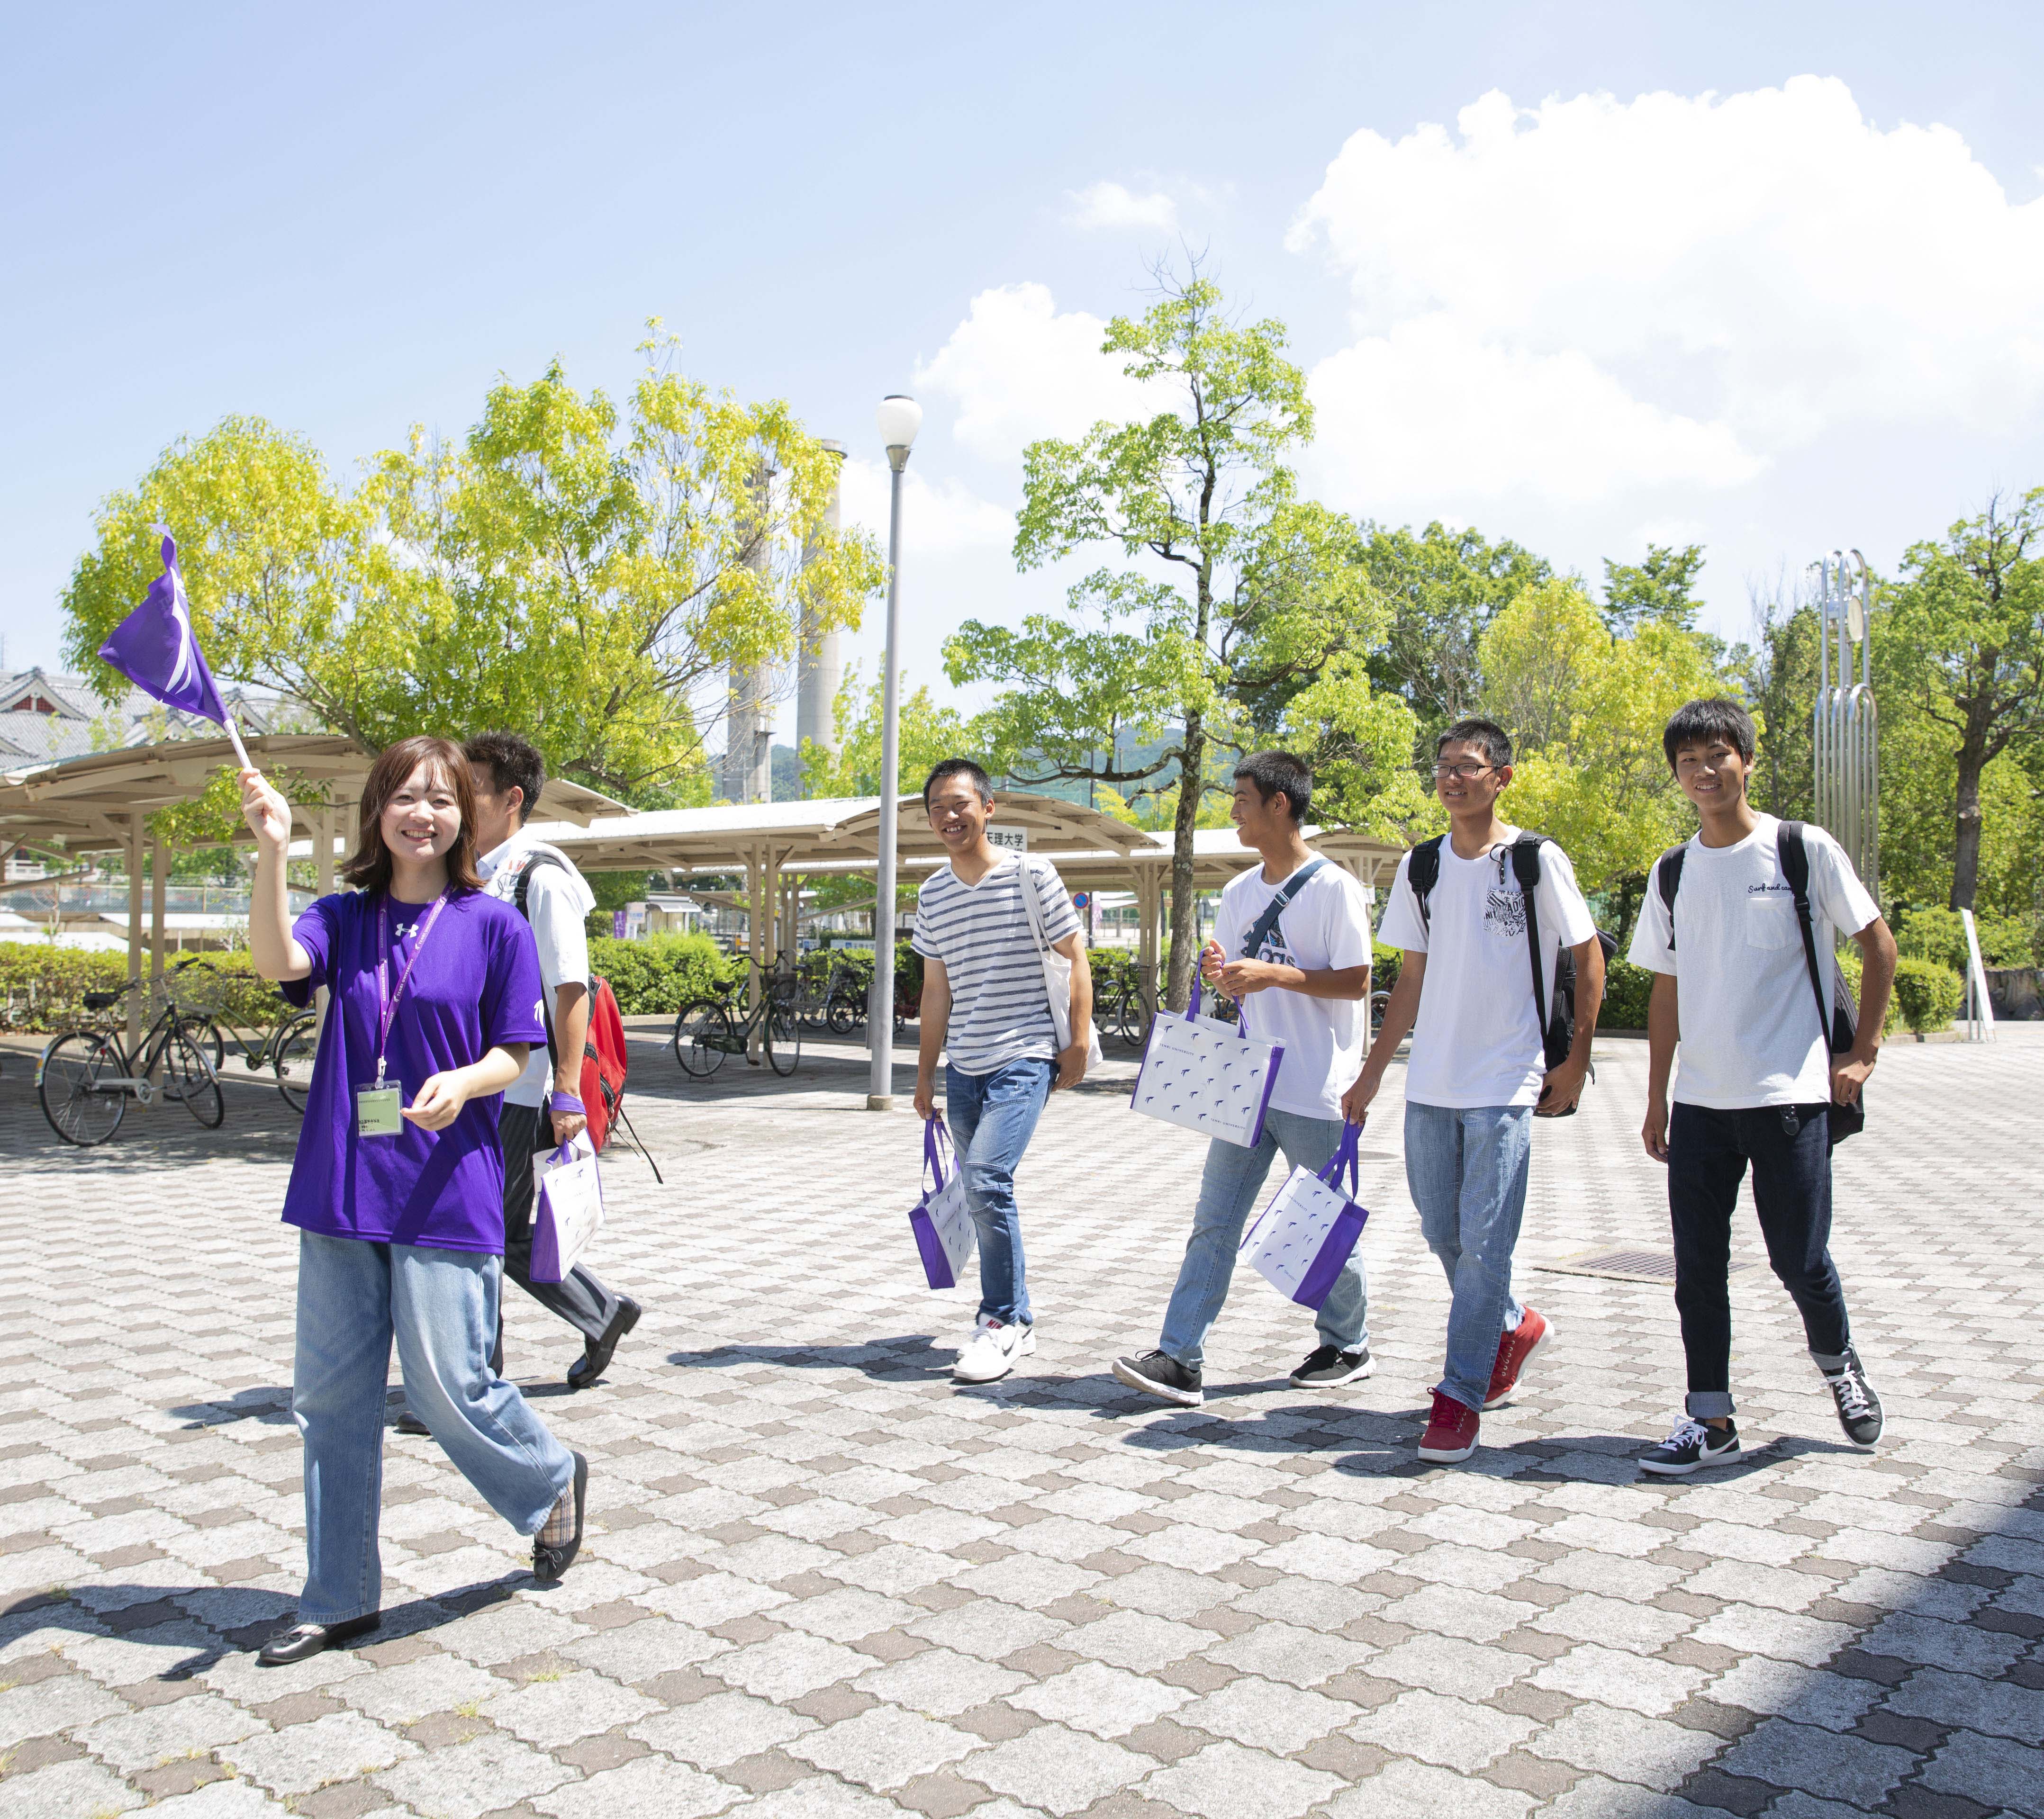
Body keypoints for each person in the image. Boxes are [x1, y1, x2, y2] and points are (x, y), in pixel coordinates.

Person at [240, 737, 587, 1666]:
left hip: (445, 1187)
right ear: (377, 811)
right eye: (404, 796)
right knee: (331, 1401)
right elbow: (278, 961)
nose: (422, 814)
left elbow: (515, 1051)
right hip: (341, 1189)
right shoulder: (342, 915)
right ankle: (338, 1596)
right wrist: (271, 850)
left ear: (465, 815)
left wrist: (466, 1083)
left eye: (442, 798)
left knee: (449, 1388)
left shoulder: (494, 923)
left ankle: (550, 1475)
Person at [1630, 698, 1895, 1475]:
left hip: (1789, 1096)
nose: (1703, 772)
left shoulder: (1798, 849)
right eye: (1688, 761)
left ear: (1745, 760)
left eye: (1717, 755)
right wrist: (1655, 1095)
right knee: (1696, 1269)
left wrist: (1863, 1053)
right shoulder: (1673, 871)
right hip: (1701, 1105)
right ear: (1676, 775)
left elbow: (1877, 945)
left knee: (1798, 1260)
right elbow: (1666, 989)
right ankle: (1709, 1420)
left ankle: (1838, 1365)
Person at [1344, 719, 1603, 1465]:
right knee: (1442, 1233)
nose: (1451, 778)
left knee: (1486, 1246)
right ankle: (1514, 1324)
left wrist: (1575, 1061)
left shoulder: (1533, 861)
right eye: (1442, 767)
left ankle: (1458, 1397)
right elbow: (1411, 979)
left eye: (1466, 766)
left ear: (1501, 778)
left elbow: (1588, 957)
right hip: (1431, 1080)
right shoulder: (1422, 865)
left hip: (1506, 1078)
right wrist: (1370, 1073)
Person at [395, 731, 640, 1437]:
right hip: (476, 1086)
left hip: (521, 1089)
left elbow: (570, 989)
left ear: (511, 799)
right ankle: (593, 1314)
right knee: (487, 1231)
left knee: (477, 1233)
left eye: (466, 789)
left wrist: (566, 1092)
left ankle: (469, 1385)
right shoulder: (470, 873)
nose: (453, 803)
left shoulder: (541, 877)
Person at [1114, 752, 1376, 1409]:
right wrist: (1221, 972)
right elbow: (1234, 981)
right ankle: (1180, 1357)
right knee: (1214, 1222)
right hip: (1249, 1085)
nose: (1232, 811)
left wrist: (1273, 974)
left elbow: (1357, 982)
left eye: (1241, 800)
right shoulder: (1237, 893)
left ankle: (1348, 1343)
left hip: (1317, 1086)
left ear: (1279, 805)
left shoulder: (1335, 888)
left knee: (1320, 1221)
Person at [912, 758, 1092, 1384]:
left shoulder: (1031, 874)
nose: (949, 816)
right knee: (981, 1189)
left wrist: (1078, 1042)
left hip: (1026, 1053)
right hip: (964, 1065)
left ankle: (1000, 1323)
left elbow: (1075, 957)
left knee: (987, 1180)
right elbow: (936, 990)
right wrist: (924, 1075)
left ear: (988, 808)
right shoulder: (932, 894)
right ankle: (1019, 1319)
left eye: (960, 803)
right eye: (937, 807)